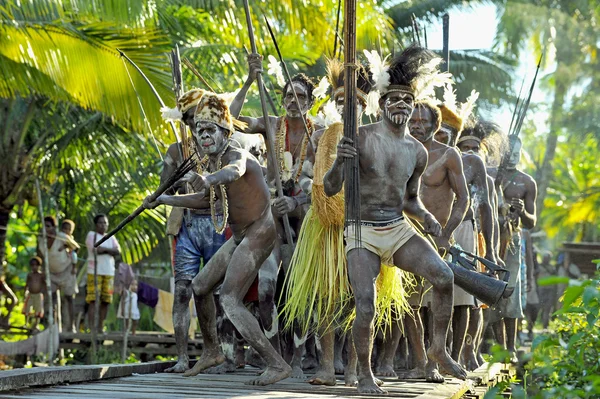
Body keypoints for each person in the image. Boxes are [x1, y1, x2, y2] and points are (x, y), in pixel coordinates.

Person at [323, 45, 467, 394]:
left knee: (443, 276)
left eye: (407, 100)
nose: (401, 105)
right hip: (361, 230)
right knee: (366, 305)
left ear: (414, 105)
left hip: (397, 227)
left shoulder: (416, 151)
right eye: (395, 99)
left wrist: (430, 219)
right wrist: (341, 161)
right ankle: (366, 375)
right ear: (382, 103)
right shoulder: (359, 136)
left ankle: (438, 349)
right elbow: (329, 188)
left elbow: (411, 200)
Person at [146, 91, 292, 386]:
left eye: (210, 130)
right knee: (200, 287)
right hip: (240, 235)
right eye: (199, 131)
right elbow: (204, 201)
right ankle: (212, 351)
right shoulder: (210, 162)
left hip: (260, 233)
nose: (204, 136)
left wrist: (209, 179)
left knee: (229, 298)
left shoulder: (236, 153)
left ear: (225, 132)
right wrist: (164, 199)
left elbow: (233, 172)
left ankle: (276, 364)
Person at [399, 99, 468, 382]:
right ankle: (422, 360)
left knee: (440, 294)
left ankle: (438, 353)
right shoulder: (399, 150)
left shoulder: (449, 155)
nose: (416, 126)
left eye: (423, 122)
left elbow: (464, 198)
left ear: (435, 124)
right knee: (407, 305)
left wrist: (447, 232)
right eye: (412, 121)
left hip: (436, 237)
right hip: (404, 236)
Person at [159, 88, 228, 373]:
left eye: (197, 117)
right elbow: (166, 187)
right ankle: (182, 358)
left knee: (220, 293)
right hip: (187, 225)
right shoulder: (177, 150)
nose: (193, 124)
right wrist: (172, 172)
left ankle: (224, 353)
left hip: (217, 223)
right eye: (187, 119)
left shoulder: (222, 146)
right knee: (183, 291)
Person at [489, 135, 537, 363]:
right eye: (509, 153)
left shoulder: (527, 182)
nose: (513, 157)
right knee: (489, 290)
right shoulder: (488, 173)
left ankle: (510, 347)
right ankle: (496, 346)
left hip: (512, 241)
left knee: (510, 290)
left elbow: (532, 222)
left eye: (517, 153)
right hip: (488, 239)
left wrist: (521, 211)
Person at [38, 216, 78, 332]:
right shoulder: (41, 241)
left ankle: (71, 326)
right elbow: (41, 257)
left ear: (54, 227)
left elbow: (76, 247)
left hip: (67, 270)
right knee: (52, 300)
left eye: (48, 226)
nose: (46, 229)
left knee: (69, 298)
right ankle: (55, 327)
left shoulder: (61, 236)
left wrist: (66, 246)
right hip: (52, 273)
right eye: (44, 226)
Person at [86, 214, 120, 333]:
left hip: (109, 272)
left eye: (105, 223)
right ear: (96, 224)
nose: (103, 225)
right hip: (94, 272)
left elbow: (117, 251)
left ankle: (100, 327)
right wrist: (108, 251)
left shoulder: (111, 237)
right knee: (93, 300)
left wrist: (104, 250)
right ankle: (91, 328)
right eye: (101, 223)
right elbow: (95, 250)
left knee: (106, 301)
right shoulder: (92, 235)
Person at [22, 257, 46, 331]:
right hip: (30, 294)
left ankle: (36, 324)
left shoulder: (41, 275)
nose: (34, 267)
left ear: (39, 266)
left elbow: (44, 284)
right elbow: (26, 284)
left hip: (38, 294)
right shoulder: (30, 275)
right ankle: (26, 323)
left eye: (36, 265)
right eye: (32, 265)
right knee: (27, 308)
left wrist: (43, 292)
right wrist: (25, 292)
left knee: (38, 310)